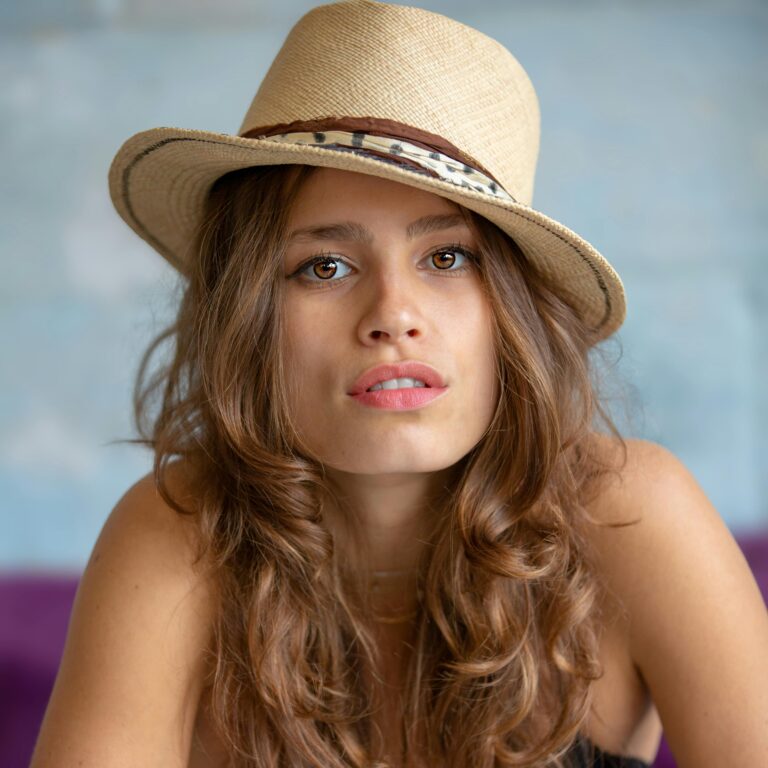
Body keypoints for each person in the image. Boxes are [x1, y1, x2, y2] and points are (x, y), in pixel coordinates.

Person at [31, 1, 768, 767]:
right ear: (248, 315)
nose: (393, 315)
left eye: (447, 257)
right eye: (325, 266)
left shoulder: (632, 514)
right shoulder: (176, 529)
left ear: (511, 310)